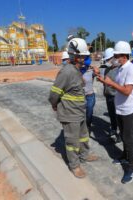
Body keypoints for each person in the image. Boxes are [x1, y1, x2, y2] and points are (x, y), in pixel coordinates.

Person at [49, 38, 98, 179]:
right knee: (72, 142)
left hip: (79, 111)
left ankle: (84, 155)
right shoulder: (67, 72)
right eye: (83, 56)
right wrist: (54, 104)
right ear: (75, 56)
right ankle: (74, 165)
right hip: (70, 113)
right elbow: (54, 92)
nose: (86, 58)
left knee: (83, 137)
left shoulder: (77, 70)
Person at [97, 41, 133, 184]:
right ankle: (124, 156)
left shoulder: (131, 69)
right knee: (123, 135)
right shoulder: (121, 68)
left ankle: (132, 167)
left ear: (124, 55)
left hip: (129, 110)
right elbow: (117, 86)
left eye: (116, 55)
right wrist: (104, 81)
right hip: (120, 108)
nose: (114, 58)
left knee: (128, 138)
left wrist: (111, 83)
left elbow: (127, 91)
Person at [101, 48, 121, 143]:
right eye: (107, 59)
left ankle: (120, 134)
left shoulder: (119, 70)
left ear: (114, 58)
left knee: (118, 117)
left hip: (116, 97)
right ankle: (113, 130)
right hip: (108, 96)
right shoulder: (107, 70)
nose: (108, 61)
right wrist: (104, 90)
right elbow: (105, 82)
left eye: (109, 59)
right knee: (112, 115)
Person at [81, 56, 96, 132]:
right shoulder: (79, 71)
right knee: (82, 113)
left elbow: (98, 73)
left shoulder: (91, 71)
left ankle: (88, 126)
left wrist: (93, 67)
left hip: (90, 95)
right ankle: (83, 127)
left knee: (89, 113)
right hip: (82, 95)